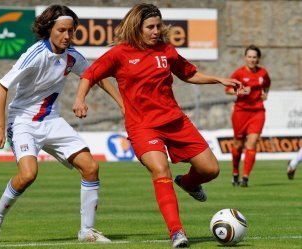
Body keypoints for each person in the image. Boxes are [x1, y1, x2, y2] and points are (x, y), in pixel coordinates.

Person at [72, 4, 242, 248]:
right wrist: (79, 98)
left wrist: (218, 79)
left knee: (211, 169)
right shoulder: (119, 54)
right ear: (136, 28)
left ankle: (189, 183)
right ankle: (177, 232)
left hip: (175, 121)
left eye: (158, 26)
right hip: (142, 127)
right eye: (150, 27)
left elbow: (188, 73)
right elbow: (89, 74)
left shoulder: (166, 51)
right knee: (161, 170)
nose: (155, 31)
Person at [0, 5, 123, 243]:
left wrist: (122, 105)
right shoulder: (35, 54)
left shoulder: (72, 56)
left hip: (52, 120)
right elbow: (1, 86)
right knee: (28, 175)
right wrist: (0, 125)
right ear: (49, 29)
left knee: (90, 168)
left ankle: (87, 231)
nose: (67, 36)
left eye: (71, 31)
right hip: (24, 121)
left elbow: (95, 76)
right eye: (62, 30)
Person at [225, 45, 271, 187]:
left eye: (254, 57)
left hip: (258, 112)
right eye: (249, 57)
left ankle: (245, 177)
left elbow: (267, 84)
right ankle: (235, 172)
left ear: (258, 58)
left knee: (252, 143)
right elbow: (227, 89)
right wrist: (239, 92)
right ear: (245, 58)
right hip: (241, 112)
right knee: (238, 145)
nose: (252, 59)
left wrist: (265, 93)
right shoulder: (239, 73)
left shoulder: (263, 73)